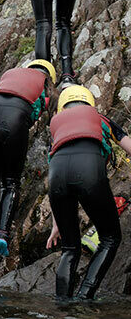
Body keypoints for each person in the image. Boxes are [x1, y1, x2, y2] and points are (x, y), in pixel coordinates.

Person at [46, 85, 131, 299]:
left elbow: (54, 167)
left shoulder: (57, 126)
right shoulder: (100, 119)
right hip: (89, 170)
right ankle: (85, 297)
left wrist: (57, 223)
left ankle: (62, 305)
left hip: (57, 177)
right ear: (89, 104)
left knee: (69, 248)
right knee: (110, 238)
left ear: (63, 106)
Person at [0, 59, 57, 262]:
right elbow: (53, 115)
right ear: (50, 76)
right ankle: (2, 233)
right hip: (16, 114)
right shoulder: (44, 84)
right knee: (10, 182)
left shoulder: (10, 74)